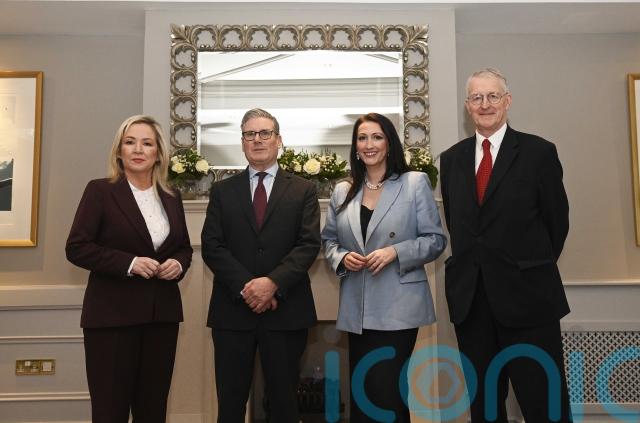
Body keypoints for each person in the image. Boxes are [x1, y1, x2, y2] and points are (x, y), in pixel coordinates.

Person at [440, 68, 572, 422]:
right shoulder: (451, 159)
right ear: (467, 105)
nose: (485, 104)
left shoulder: (539, 153)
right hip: (473, 304)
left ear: (508, 101)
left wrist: (527, 268)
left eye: (493, 96)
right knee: (484, 407)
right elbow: (458, 225)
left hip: (529, 300)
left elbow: (557, 224)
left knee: (544, 403)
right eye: (476, 97)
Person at [66, 115, 193, 422]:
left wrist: (177, 263)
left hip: (161, 318)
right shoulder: (100, 191)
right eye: (130, 142)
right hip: (112, 319)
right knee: (110, 411)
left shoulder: (171, 196)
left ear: (158, 153)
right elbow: (77, 247)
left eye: (147, 143)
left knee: (153, 411)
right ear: (119, 151)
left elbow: (184, 247)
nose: (138, 149)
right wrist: (130, 263)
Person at [322, 113, 446, 422]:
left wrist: (395, 251)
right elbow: (329, 241)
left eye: (377, 137)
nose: (369, 144)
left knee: (387, 393)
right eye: (362, 138)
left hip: (399, 308)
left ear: (389, 143)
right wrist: (342, 258)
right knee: (363, 394)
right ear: (355, 146)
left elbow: (435, 240)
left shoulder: (414, 182)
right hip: (358, 308)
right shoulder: (342, 190)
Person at [201, 108, 320, 423]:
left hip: (286, 312)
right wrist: (248, 287)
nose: (257, 140)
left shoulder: (303, 189)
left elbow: (308, 244)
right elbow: (212, 246)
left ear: (278, 140)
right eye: (249, 134)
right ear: (242, 142)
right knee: (230, 406)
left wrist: (272, 284)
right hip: (232, 313)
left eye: (265, 133)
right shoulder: (222, 191)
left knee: (284, 405)